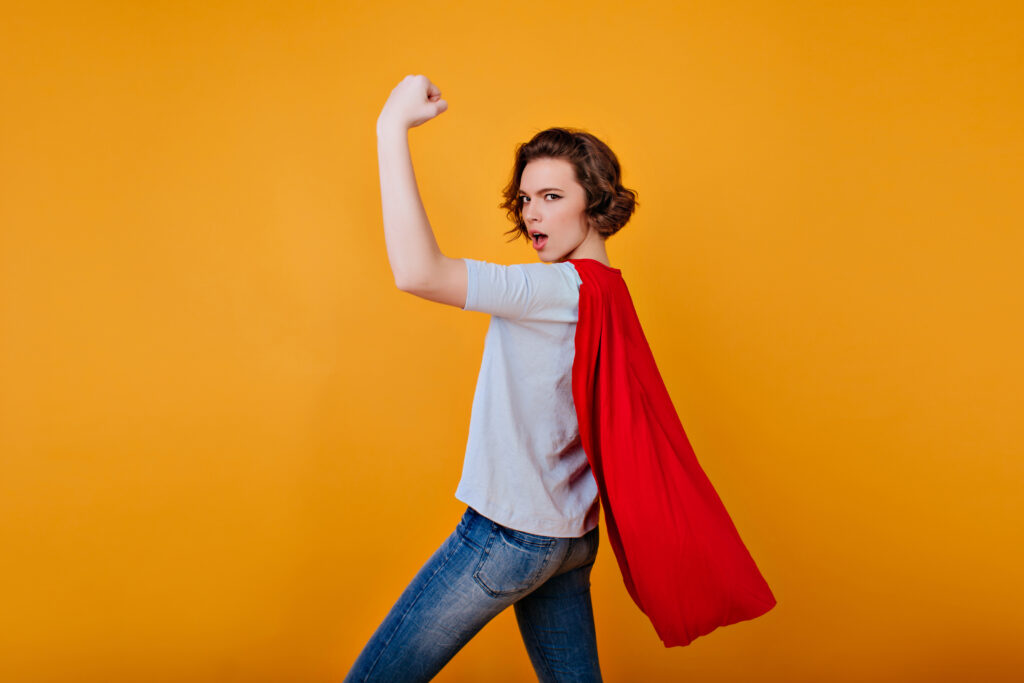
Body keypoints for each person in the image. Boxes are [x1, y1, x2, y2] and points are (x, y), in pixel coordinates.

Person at [344, 75, 638, 683]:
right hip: (571, 536)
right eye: (526, 198)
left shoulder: (552, 288)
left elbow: (417, 272)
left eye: (552, 196)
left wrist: (389, 128)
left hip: (510, 537)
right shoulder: (608, 291)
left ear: (597, 200)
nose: (532, 212)